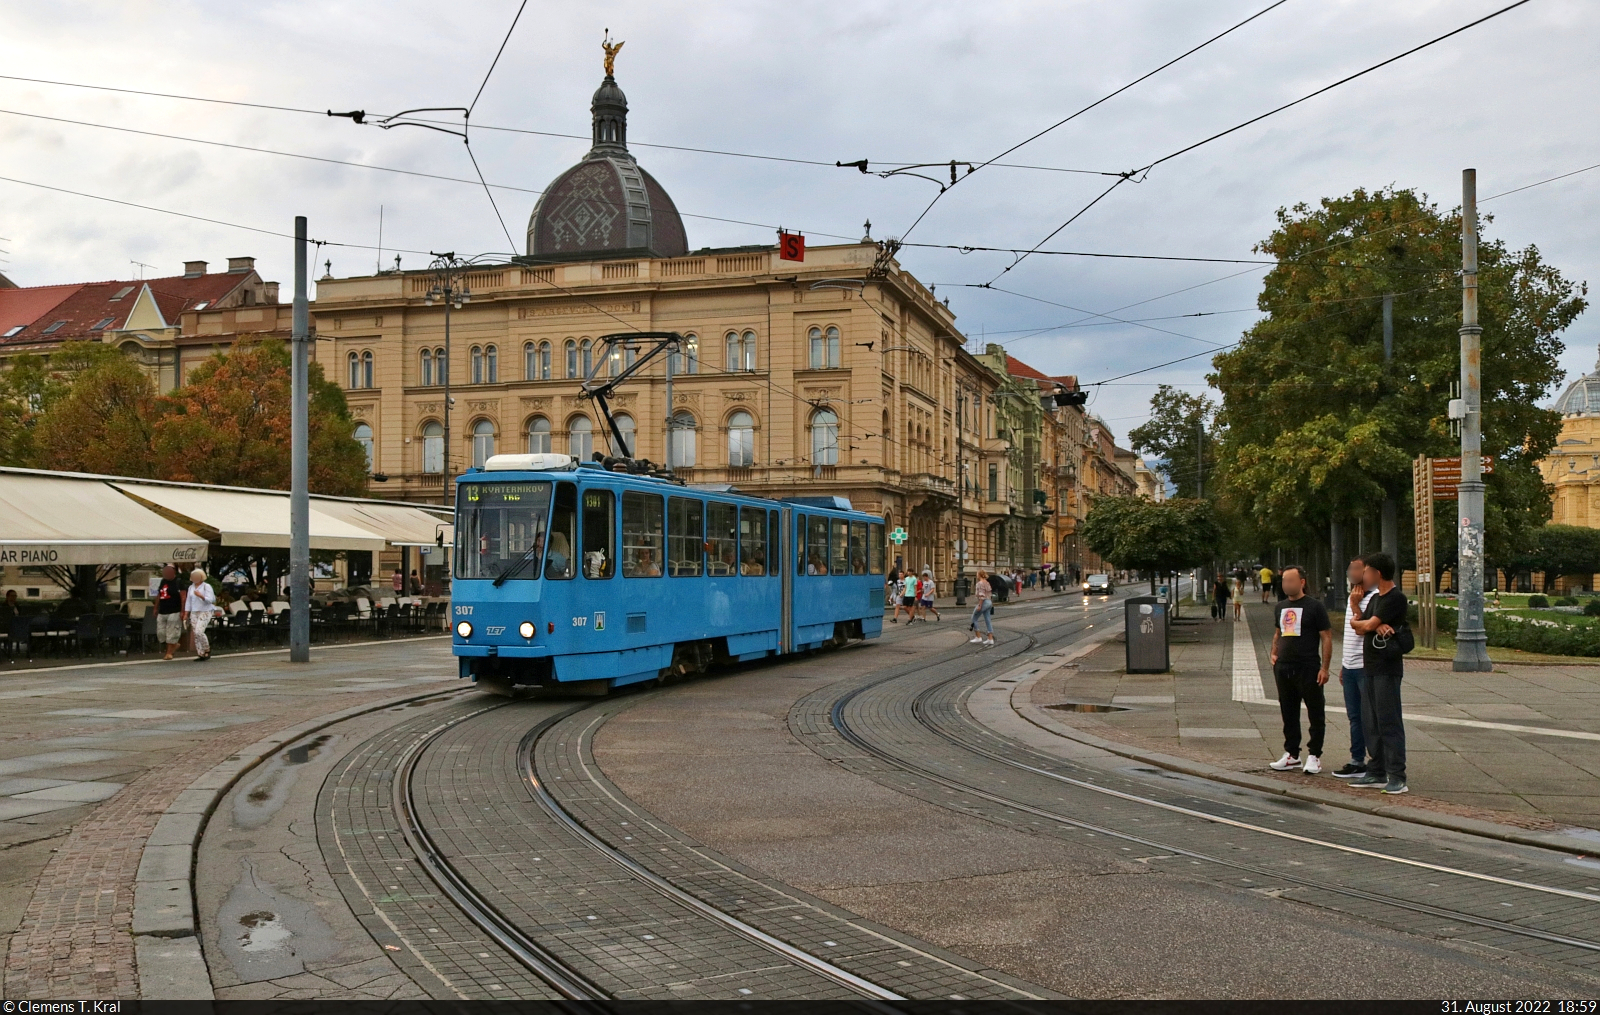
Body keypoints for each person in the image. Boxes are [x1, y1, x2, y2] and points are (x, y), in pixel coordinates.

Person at [1347, 551, 1410, 794]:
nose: (1363, 576)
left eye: (1367, 572)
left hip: (1387, 668)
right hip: (1370, 667)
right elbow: (1361, 628)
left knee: (1389, 721)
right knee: (1370, 721)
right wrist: (1358, 613)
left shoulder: (1395, 598)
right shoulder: (1374, 599)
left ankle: (1397, 776)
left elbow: (1368, 625)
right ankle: (1376, 771)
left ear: (1378, 573)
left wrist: (1370, 624)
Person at [1267, 564, 1332, 774]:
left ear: (1301, 582)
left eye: (1291, 581)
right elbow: (1278, 633)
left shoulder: (1315, 607)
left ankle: (1314, 754)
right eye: (1284, 581)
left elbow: (1326, 637)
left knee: (1315, 711)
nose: (1286, 585)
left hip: (1308, 666)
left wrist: (1325, 667)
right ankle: (1292, 754)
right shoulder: (1281, 607)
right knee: (1288, 711)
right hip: (1284, 667)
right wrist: (1274, 652)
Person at [1333, 556, 1378, 779]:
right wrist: (1343, 664)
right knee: (1354, 716)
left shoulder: (1373, 598)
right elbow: (1349, 636)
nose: (1351, 572)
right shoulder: (1354, 595)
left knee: (1370, 716)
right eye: (1349, 567)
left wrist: (1353, 605)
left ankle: (1376, 762)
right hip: (1350, 666)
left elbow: (1362, 629)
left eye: (1356, 568)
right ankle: (1356, 760)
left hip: (1364, 666)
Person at [182, 568, 217, 662]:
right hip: (194, 611)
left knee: (199, 631)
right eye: (193, 577)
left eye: (197, 576)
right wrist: (186, 613)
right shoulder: (191, 587)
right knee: (195, 633)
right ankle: (201, 653)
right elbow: (188, 601)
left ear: (201, 577)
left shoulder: (206, 586)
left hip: (205, 611)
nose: (195, 578)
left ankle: (207, 649)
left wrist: (200, 595)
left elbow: (211, 600)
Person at [154, 564, 186, 661]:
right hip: (163, 610)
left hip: (174, 610)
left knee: (171, 633)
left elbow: (183, 597)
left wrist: (183, 611)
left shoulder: (179, 582)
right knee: (161, 633)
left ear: (173, 572)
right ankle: (175, 645)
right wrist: (155, 608)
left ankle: (169, 653)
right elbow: (159, 595)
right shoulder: (163, 581)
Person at [969, 569, 995, 646]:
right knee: (988, 620)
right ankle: (990, 639)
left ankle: (978, 637)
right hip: (989, 602)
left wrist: (980, 605)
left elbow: (982, 595)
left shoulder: (979, 583)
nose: (976, 575)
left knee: (974, 618)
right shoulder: (987, 583)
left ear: (979, 575)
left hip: (983, 602)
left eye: (977, 574)